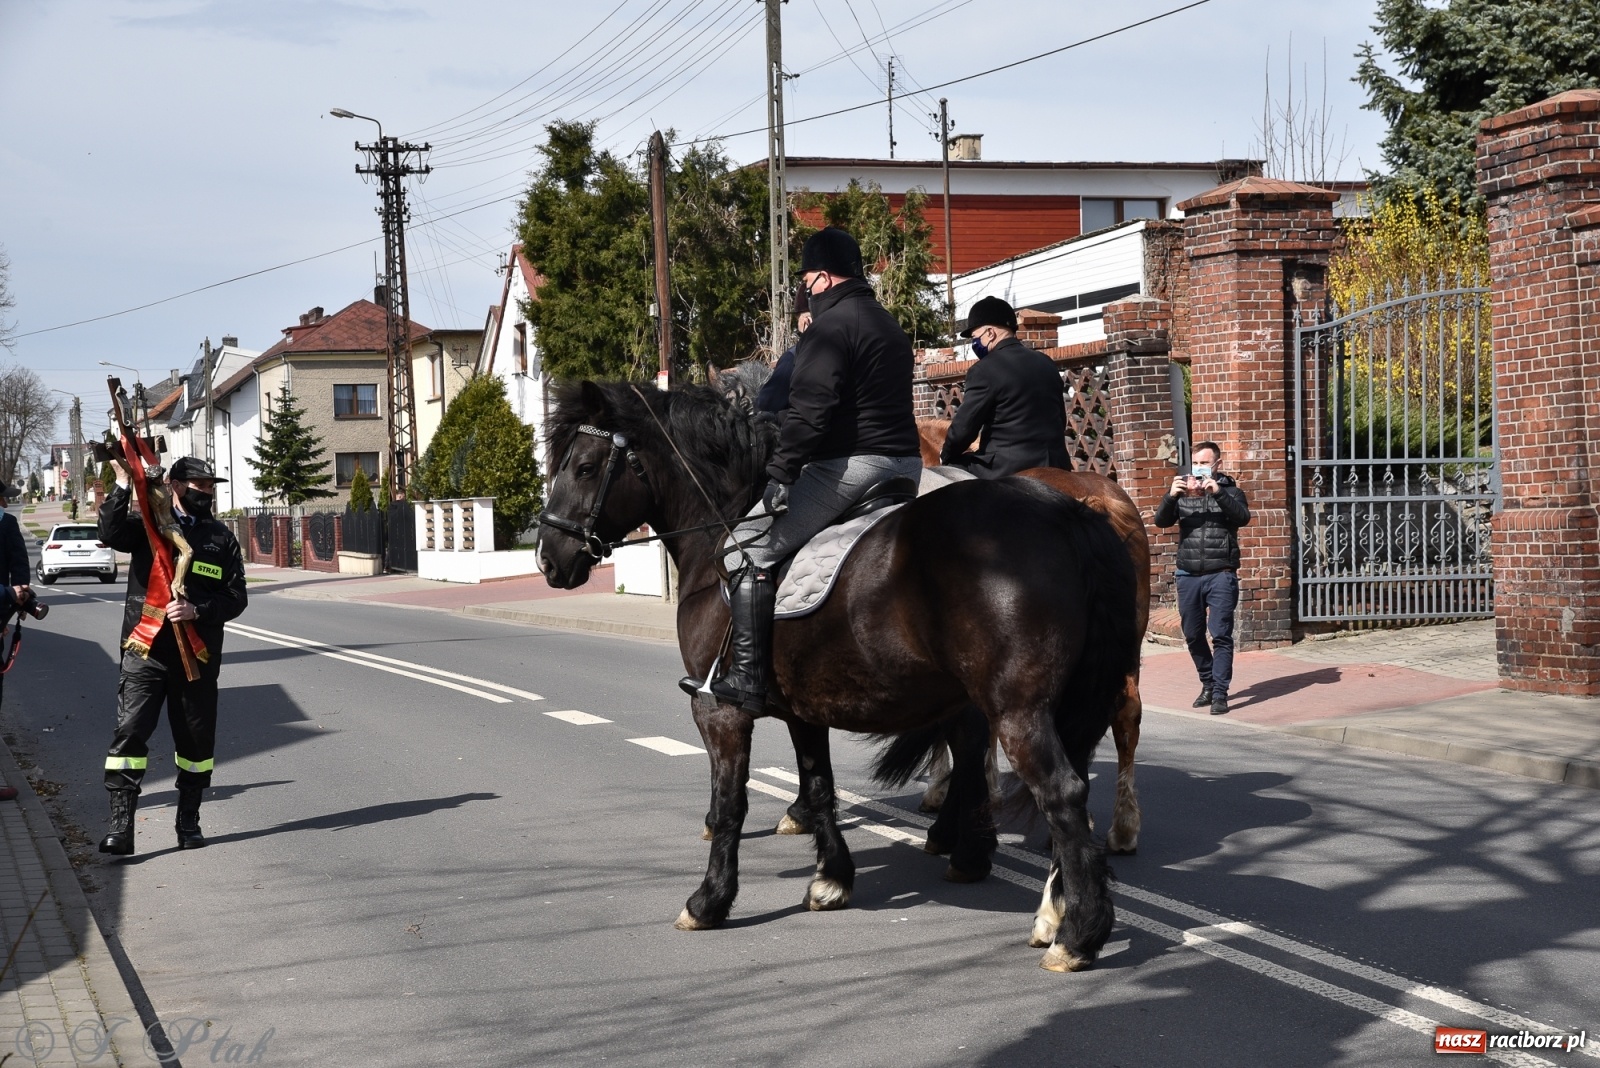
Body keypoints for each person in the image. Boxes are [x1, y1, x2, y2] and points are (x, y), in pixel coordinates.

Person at [684, 226, 923, 712]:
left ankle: (748, 679)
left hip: (851, 467)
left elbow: (811, 414)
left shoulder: (829, 329)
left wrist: (780, 475)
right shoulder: (889, 325)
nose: (807, 290)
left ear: (822, 277)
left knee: (742, 549)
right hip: (906, 465)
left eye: (807, 281)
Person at [98, 456, 247, 854]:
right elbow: (110, 531)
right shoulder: (146, 526)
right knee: (129, 735)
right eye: (200, 485)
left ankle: (188, 820)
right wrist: (122, 483)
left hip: (196, 657)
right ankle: (121, 825)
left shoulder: (220, 537)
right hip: (145, 651)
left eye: (211, 486)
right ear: (175, 485)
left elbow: (236, 596)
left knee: (196, 743)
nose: (207, 492)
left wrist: (199, 610)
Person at [1153, 441, 1251, 715]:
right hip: (1188, 575)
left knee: (1221, 635)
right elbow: (1161, 521)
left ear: (1217, 464)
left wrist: (1218, 492)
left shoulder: (1232, 492)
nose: (1199, 468)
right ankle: (1207, 683)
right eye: (1196, 463)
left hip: (1221, 574)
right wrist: (1171, 496)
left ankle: (1219, 693)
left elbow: (1242, 518)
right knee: (1193, 634)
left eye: (1205, 463)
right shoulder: (1183, 493)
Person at [938, 295, 1070, 477]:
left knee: (945, 473)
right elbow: (1061, 419)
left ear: (990, 333)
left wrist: (946, 455)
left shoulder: (984, 370)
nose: (975, 343)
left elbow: (963, 430)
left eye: (975, 337)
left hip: (1006, 469)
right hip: (1057, 463)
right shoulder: (1046, 362)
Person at [0, 484, 30, 803]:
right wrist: (8, 594)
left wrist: (10, 609)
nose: (6, 504)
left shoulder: (7, 524)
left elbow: (19, 565)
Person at [756, 280, 812, 415]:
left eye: (797, 319)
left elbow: (766, 404)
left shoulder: (792, 358)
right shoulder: (844, 347)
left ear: (806, 322)